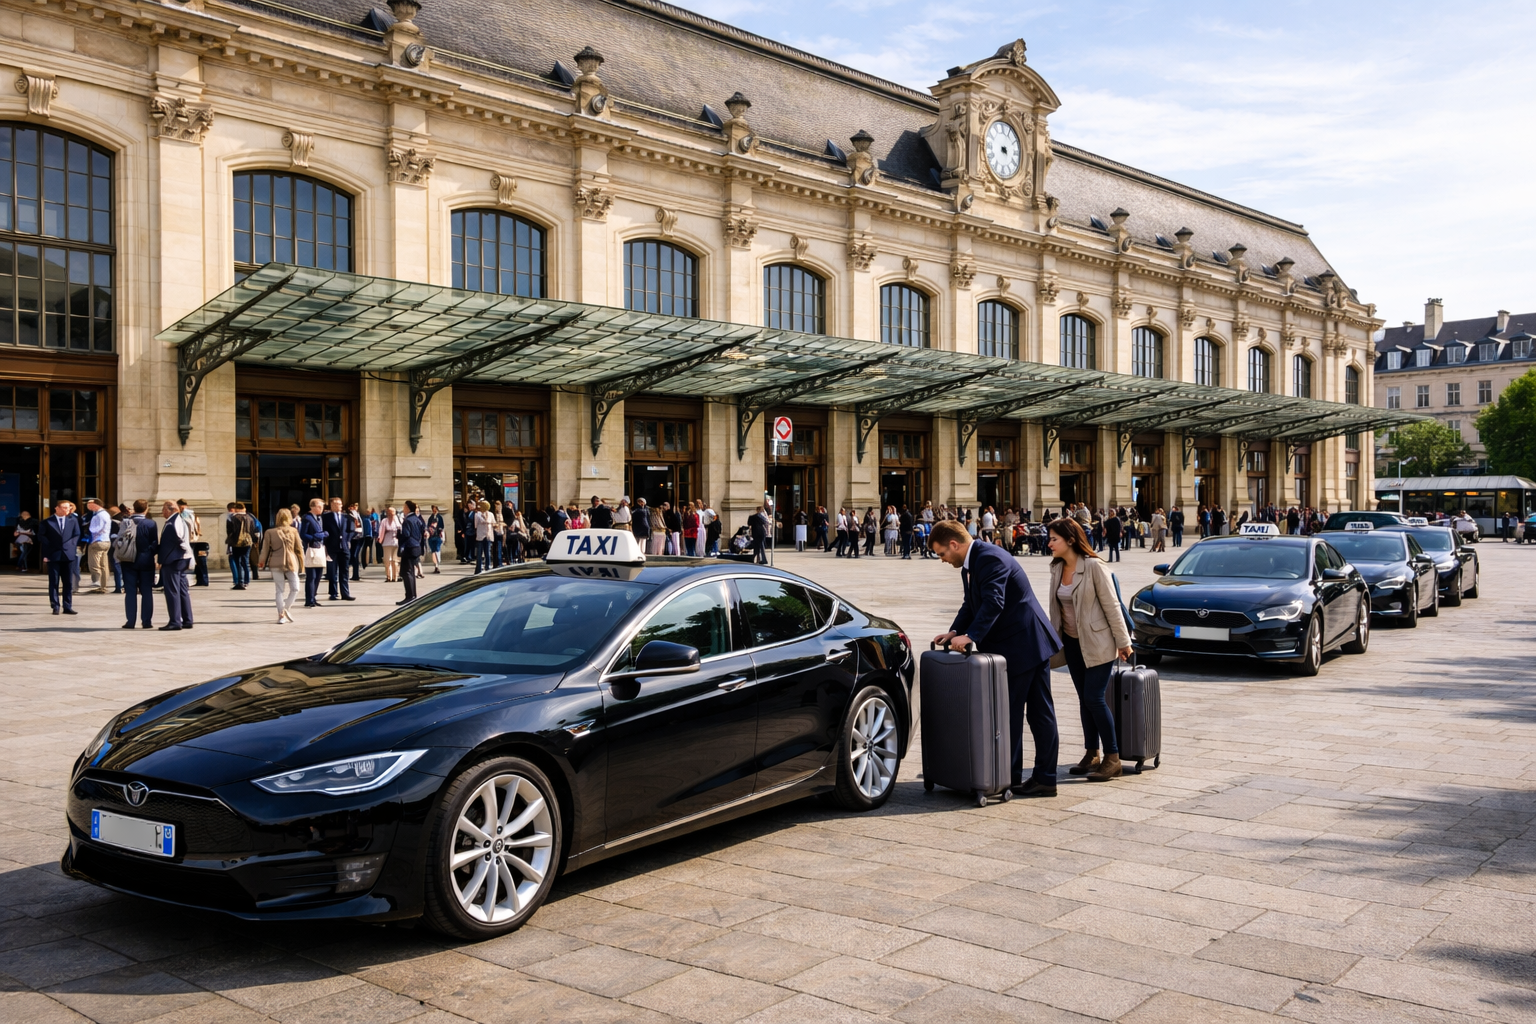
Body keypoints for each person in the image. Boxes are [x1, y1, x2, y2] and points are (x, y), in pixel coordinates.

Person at [930, 519, 1063, 797]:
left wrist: (972, 636)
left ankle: (1013, 778)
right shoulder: (973, 561)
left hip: (1022, 645)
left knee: (1018, 714)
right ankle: (1035, 778)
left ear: (954, 544)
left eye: (942, 553)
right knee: (1033, 713)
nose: (942, 560)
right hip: (1023, 643)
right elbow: (971, 602)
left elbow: (993, 601)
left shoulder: (989, 558)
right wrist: (955, 631)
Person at [1045, 517, 1135, 783]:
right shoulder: (1056, 568)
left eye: (1054, 539)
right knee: (1084, 699)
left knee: (1094, 698)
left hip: (1098, 642)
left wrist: (1123, 642)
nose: (1049, 543)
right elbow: (1056, 611)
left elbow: (1112, 606)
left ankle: (1113, 758)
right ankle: (1091, 753)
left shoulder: (1095, 566)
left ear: (1070, 540)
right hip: (1072, 643)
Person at [257, 507, 304, 624]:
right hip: (290, 562)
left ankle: (283, 611)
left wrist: (261, 562)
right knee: (295, 588)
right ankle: (283, 611)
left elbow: (265, 550)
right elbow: (299, 549)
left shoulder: (271, 532)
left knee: (280, 590)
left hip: (276, 562)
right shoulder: (293, 531)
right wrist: (302, 565)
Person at [116, 500, 158, 628]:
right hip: (146, 560)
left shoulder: (125, 522)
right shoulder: (151, 523)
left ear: (134, 508)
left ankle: (130, 621)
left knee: (130, 591)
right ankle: (146, 621)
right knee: (146, 591)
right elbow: (154, 544)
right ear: (146, 509)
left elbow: (118, 540)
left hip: (128, 560)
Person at [157, 500, 195, 629]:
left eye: (163, 509)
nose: (162, 512)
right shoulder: (177, 520)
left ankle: (175, 621)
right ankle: (187, 619)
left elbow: (178, 540)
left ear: (170, 509)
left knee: (172, 590)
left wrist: (162, 559)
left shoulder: (174, 522)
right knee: (182, 590)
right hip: (180, 559)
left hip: (174, 560)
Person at [40, 500, 81, 615]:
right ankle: (55, 605)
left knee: (68, 582)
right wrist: (46, 554)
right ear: (57, 508)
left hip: (68, 554)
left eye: (68, 508)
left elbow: (77, 534)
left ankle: (67, 606)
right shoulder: (47, 522)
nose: (66, 510)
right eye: (63, 507)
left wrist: (71, 545)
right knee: (54, 581)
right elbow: (42, 537)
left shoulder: (72, 521)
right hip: (53, 554)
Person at [322, 497, 356, 601]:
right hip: (332, 547)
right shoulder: (326, 517)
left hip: (344, 547)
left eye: (340, 504)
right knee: (332, 571)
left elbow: (352, 530)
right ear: (331, 505)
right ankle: (333, 593)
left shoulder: (347, 517)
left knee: (344, 571)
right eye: (335, 504)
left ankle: (345, 593)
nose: (338, 506)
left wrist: (347, 540)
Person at [299, 498, 327, 608]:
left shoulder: (319, 518)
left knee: (319, 574)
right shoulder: (307, 518)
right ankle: (309, 599)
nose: (322, 509)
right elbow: (303, 535)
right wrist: (316, 537)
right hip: (311, 549)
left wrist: (324, 534)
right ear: (313, 507)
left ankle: (314, 597)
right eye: (320, 507)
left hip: (320, 548)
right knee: (311, 576)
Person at [398, 500, 427, 605]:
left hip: (409, 548)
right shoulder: (417, 519)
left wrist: (398, 533)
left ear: (408, 508)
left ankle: (410, 596)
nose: (403, 509)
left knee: (407, 572)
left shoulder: (407, 520)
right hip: (416, 547)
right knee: (411, 572)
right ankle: (412, 595)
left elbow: (406, 534)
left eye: (404, 507)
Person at [83, 498, 112, 594]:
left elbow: (95, 529)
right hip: (106, 541)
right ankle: (103, 586)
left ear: (96, 505)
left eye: (89, 504)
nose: (87, 506)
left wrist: (87, 528)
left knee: (94, 565)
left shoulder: (98, 516)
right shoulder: (106, 514)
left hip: (97, 541)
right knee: (104, 565)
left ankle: (97, 583)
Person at [225, 502, 256, 590]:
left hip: (236, 542)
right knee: (245, 562)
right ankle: (246, 581)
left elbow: (229, 531)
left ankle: (240, 582)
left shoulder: (232, 518)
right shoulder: (250, 518)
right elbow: (253, 530)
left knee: (237, 562)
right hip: (247, 542)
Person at [379, 505, 402, 581]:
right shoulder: (384, 521)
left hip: (396, 543)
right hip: (387, 543)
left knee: (395, 561)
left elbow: (401, 529)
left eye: (392, 512)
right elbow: (381, 531)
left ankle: (395, 577)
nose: (391, 514)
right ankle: (389, 577)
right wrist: (380, 540)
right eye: (389, 512)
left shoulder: (398, 521)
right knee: (387, 560)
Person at [472, 500, 494, 573]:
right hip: (480, 535)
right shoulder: (477, 514)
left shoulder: (491, 514)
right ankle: (478, 569)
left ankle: (488, 567)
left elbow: (493, 523)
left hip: (488, 535)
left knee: (487, 552)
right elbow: (475, 525)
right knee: (479, 553)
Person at [347, 502, 368, 580]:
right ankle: (353, 574)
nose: (355, 507)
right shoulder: (348, 516)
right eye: (353, 506)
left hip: (359, 537)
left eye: (356, 506)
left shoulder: (359, 515)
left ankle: (356, 574)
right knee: (352, 556)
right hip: (352, 538)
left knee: (355, 555)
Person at [427, 504, 446, 571]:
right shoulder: (431, 517)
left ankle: (437, 565)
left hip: (437, 536)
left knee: (436, 550)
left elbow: (442, 527)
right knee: (434, 551)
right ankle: (436, 565)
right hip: (433, 536)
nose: (434, 511)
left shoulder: (438, 517)